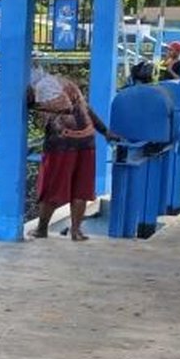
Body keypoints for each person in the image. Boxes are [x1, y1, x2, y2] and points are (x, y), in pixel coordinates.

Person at [28, 65, 117, 241]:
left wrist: (31, 104)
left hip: (62, 144)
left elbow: (65, 108)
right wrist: (105, 131)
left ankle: (42, 229)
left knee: (51, 187)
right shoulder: (66, 83)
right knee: (81, 188)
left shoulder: (41, 87)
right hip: (87, 140)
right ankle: (76, 231)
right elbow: (86, 109)